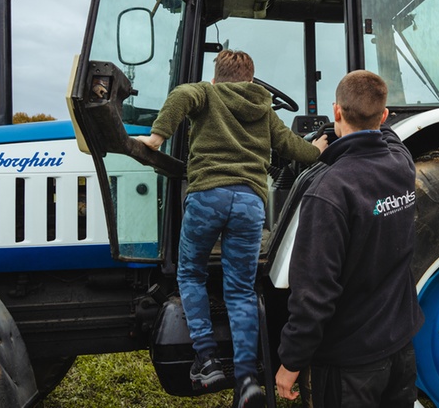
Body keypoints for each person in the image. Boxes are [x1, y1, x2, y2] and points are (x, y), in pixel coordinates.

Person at [137, 50, 327, 408]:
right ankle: (246, 379)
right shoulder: (264, 108)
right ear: (251, 80)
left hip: (208, 196)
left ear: (216, 77)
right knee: (239, 289)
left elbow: (180, 95)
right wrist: (316, 150)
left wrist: (157, 138)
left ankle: (207, 359)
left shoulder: (207, 94)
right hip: (249, 204)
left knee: (190, 274)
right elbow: (290, 146)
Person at [275, 70, 424, 407]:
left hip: (351, 364)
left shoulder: (330, 191)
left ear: (336, 111)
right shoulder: (401, 164)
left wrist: (291, 362)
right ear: (384, 116)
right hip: (400, 348)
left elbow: (314, 292)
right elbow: (389, 138)